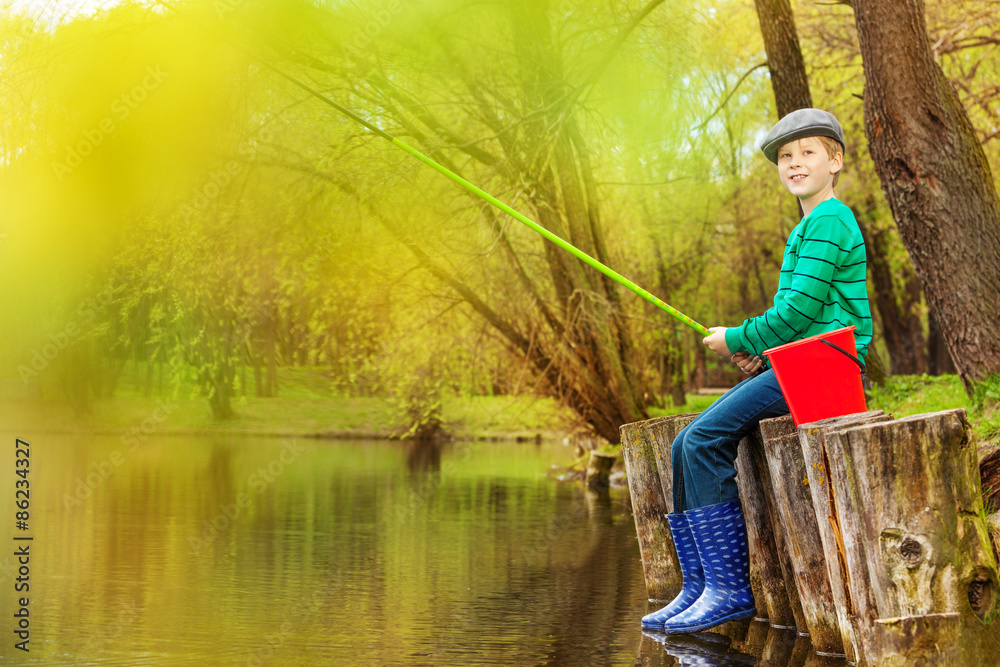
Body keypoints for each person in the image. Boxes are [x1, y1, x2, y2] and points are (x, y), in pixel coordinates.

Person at [641, 108, 873, 634]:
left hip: (828, 368)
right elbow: (805, 315)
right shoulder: (811, 224)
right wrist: (762, 353)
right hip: (805, 361)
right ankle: (697, 586)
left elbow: (797, 313)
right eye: (785, 157)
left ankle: (727, 590)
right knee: (685, 444)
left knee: (702, 442)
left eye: (807, 152)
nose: (795, 163)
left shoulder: (830, 221)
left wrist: (735, 340)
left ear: (835, 161)